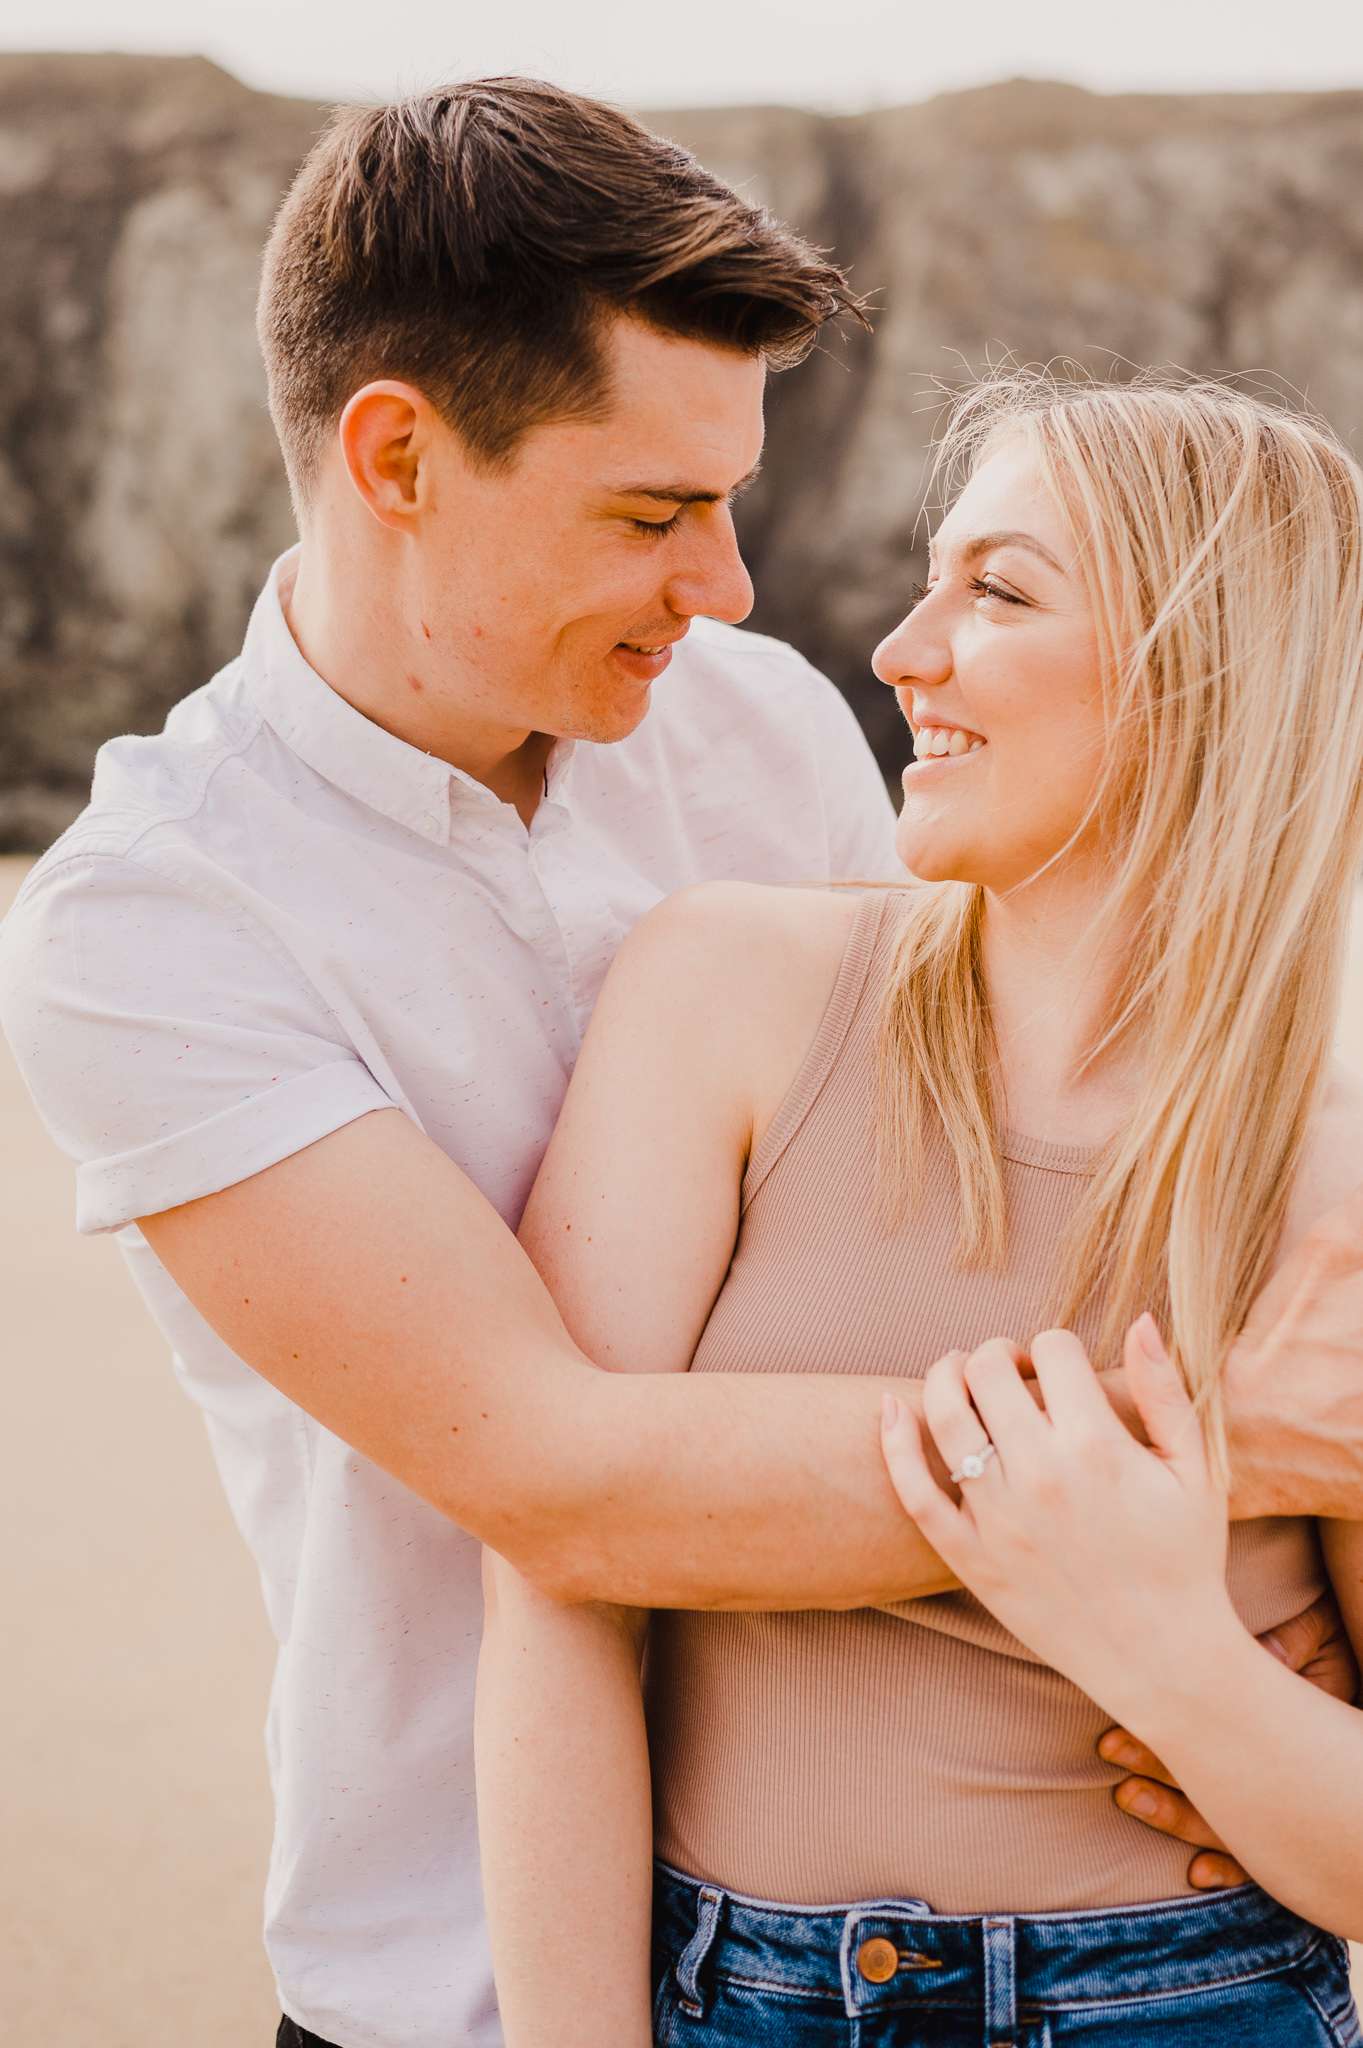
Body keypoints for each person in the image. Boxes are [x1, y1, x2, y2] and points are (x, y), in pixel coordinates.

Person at [0, 80, 1357, 2048]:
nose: (726, 585)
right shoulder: (158, 922)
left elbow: (939, 1215)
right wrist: (1213, 1447)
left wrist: (1225, 1699)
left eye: (729, 499)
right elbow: (559, 1480)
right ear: (397, 457)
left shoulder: (760, 727)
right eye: (651, 514)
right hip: (461, 1968)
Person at [476, 372, 1363, 2046]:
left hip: (1193, 2000)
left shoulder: (1335, 1176)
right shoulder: (728, 988)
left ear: (1210, 667)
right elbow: (553, 1571)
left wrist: (1171, 1657)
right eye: (928, 578)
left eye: (999, 591)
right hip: (745, 1995)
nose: (900, 651)